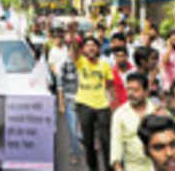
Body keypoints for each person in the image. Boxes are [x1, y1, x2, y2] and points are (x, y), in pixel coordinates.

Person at [70, 25, 116, 171]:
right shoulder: (80, 62)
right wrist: (72, 33)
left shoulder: (105, 65)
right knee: (88, 141)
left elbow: (110, 85)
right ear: (83, 49)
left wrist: (114, 104)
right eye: (87, 46)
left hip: (102, 106)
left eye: (93, 46)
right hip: (84, 105)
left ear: (98, 49)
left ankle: (109, 168)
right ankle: (93, 167)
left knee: (106, 140)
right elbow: (74, 52)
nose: (90, 48)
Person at [111, 73, 156, 171]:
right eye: (128, 89)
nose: (130, 94)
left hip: (156, 165)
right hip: (133, 167)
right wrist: (117, 167)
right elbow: (116, 143)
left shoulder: (156, 110)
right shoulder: (119, 114)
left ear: (146, 91)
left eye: (135, 90)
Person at [56, 47, 81, 165]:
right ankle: (74, 153)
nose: (74, 53)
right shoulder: (65, 65)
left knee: (82, 131)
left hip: (86, 101)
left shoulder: (85, 63)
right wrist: (61, 103)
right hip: (70, 100)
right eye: (72, 51)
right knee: (73, 130)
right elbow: (60, 86)